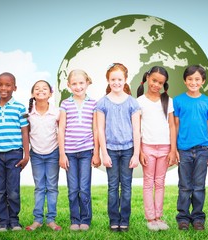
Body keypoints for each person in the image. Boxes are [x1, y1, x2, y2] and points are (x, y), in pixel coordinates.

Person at [97, 63, 140, 232]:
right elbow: (100, 129)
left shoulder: (132, 103)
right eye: (113, 79)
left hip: (128, 149)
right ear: (108, 80)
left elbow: (137, 130)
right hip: (111, 151)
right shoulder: (103, 103)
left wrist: (136, 154)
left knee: (127, 186)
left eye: (119, 79)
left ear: (125, 80)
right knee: (113, 186)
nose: (116, 82)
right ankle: (114, 219)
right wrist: (104, 153)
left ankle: (125, 220)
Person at [0, 72, 29, 232]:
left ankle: (14, 221)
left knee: (13, 190)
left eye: (8, 85)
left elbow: (25, 131)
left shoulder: (20, 108)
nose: (4, 88)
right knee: (0, 190)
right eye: (0, 84)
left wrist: (26, 154)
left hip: (14, 154)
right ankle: (3, 222)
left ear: (14, 88)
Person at [58, 69, 101, 231]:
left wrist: (96, 153)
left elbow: (96, 129)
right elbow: (61, 129)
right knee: (73, 189)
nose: (78, 86)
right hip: (69, 152)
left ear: (87, 83)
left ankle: (85, 220)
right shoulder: (65, 104)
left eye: (81, 83)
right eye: (74, 84)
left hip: (86, 151)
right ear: (69, 85)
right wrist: (62, 154)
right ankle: (74, 220)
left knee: (84, 188)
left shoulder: (93, 103)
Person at [136, 66, 177, 231]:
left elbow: (172, 126)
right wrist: (139, 151)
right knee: (148, 183)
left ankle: (159, 217)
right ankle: (150, 218)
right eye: (154, 80)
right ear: (147, 78)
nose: (156, 85)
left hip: (165, 147)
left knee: (160, 182)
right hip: (147, 147)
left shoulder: (168, 100)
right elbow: (137, 128)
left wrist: (173, 150)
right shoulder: (139, 102)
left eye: (160, 83)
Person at [173, 65, 208, 231]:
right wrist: (174, 149)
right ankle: (183, 218)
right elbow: (175, 126)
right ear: (184, 80)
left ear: (203, 82)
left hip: (203, 149)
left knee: (199, 186)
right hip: (184, 149)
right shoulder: (178, 100)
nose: (193, 82)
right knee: (184, 186)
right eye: (190, 79)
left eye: (197, 79)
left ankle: (197, 218)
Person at [25, 80, 61, 231]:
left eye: (44, 88)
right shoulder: (28, 114)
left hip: (53, 153)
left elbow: (61, 133)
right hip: (37, 155)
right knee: (39, 187)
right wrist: (26, 154)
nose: (41, 90)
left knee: (52, 187)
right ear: (33, 93)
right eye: (37, 89)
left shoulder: (56, 112)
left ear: (51, 93)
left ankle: (51, 219)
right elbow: (26, 135)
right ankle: (38, 219)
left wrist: (62, 154)